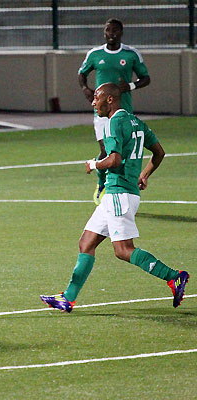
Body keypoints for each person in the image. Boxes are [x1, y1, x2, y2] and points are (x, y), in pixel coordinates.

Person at [40, 83, 189, 313]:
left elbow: (115, 160)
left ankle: (174, 277)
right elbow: (159, 151)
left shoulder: (113, 122)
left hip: (119, 193)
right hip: (118, 193)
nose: (93, 102)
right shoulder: (135, 121)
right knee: (86, 243)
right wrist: (144, 174)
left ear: (110, 99)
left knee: (123, 250)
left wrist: (93, 164)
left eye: (97, 97)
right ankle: (67, 298)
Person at [78, 18, 150, 205]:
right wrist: (85, 89)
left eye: (115, 30)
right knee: (106, 150)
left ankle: (124, 184)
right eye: (108, 30)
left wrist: (131, 86)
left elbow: (146, 78)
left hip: (124, 112)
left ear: (121, 33)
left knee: (122, 151)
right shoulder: (95, 54)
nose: (111, 33)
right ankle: (102, 185)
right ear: (104, 32)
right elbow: (81, 74)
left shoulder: (131, 54)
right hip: (102, 113)